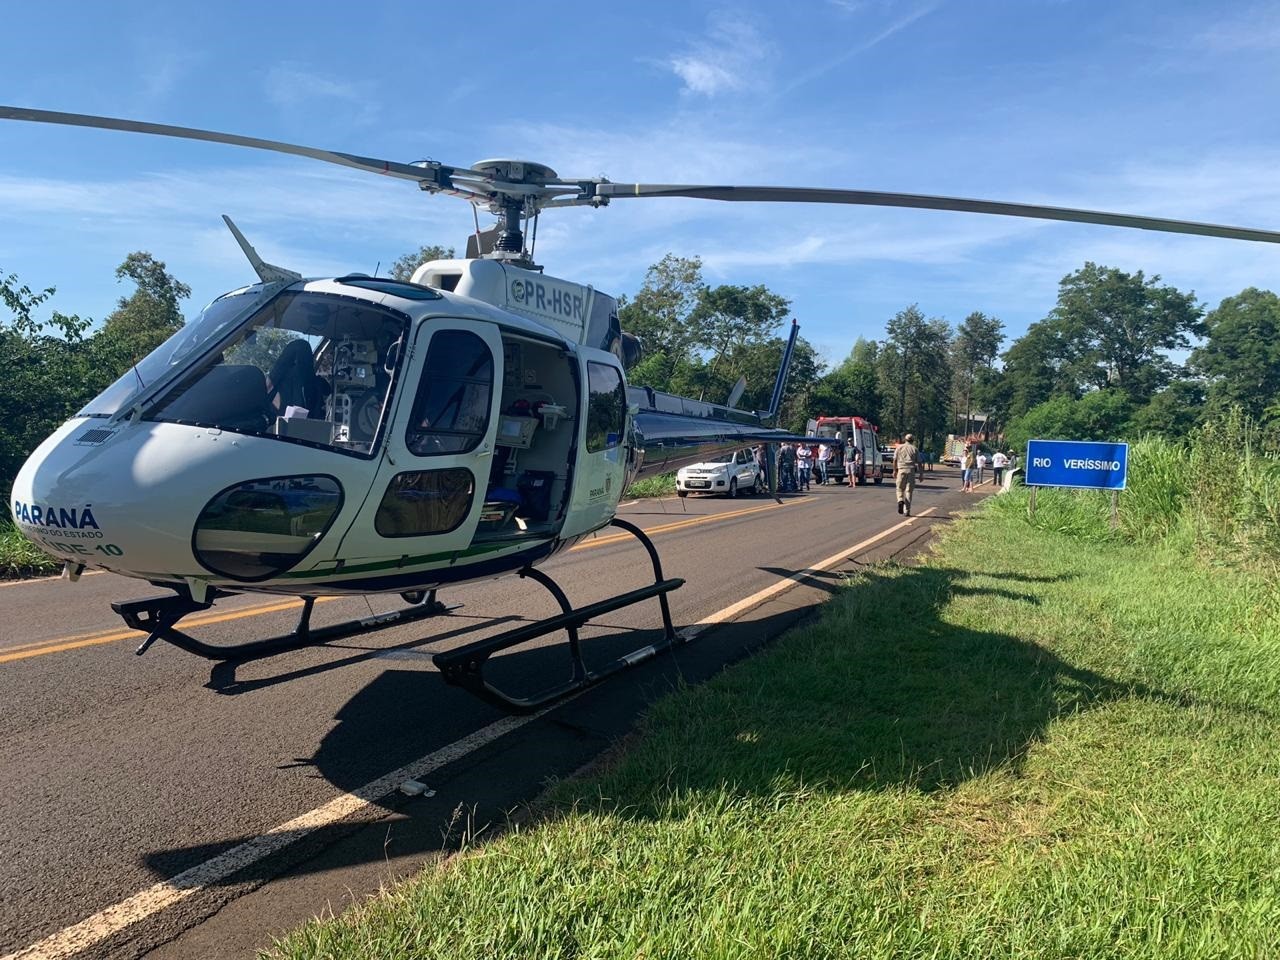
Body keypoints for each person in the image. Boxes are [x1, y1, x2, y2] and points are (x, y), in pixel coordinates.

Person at [894, 433, 919, 515]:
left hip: (901, 469)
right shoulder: (914, 448)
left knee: (900, 488)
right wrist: (921, 474)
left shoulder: (899, 448)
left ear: (905, 440)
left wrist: (895, 470)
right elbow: (919, 462)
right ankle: (907, 510)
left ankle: (900, 500)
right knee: (909, 491)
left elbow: (894, 460)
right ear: (912, 440)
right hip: (911, 470)